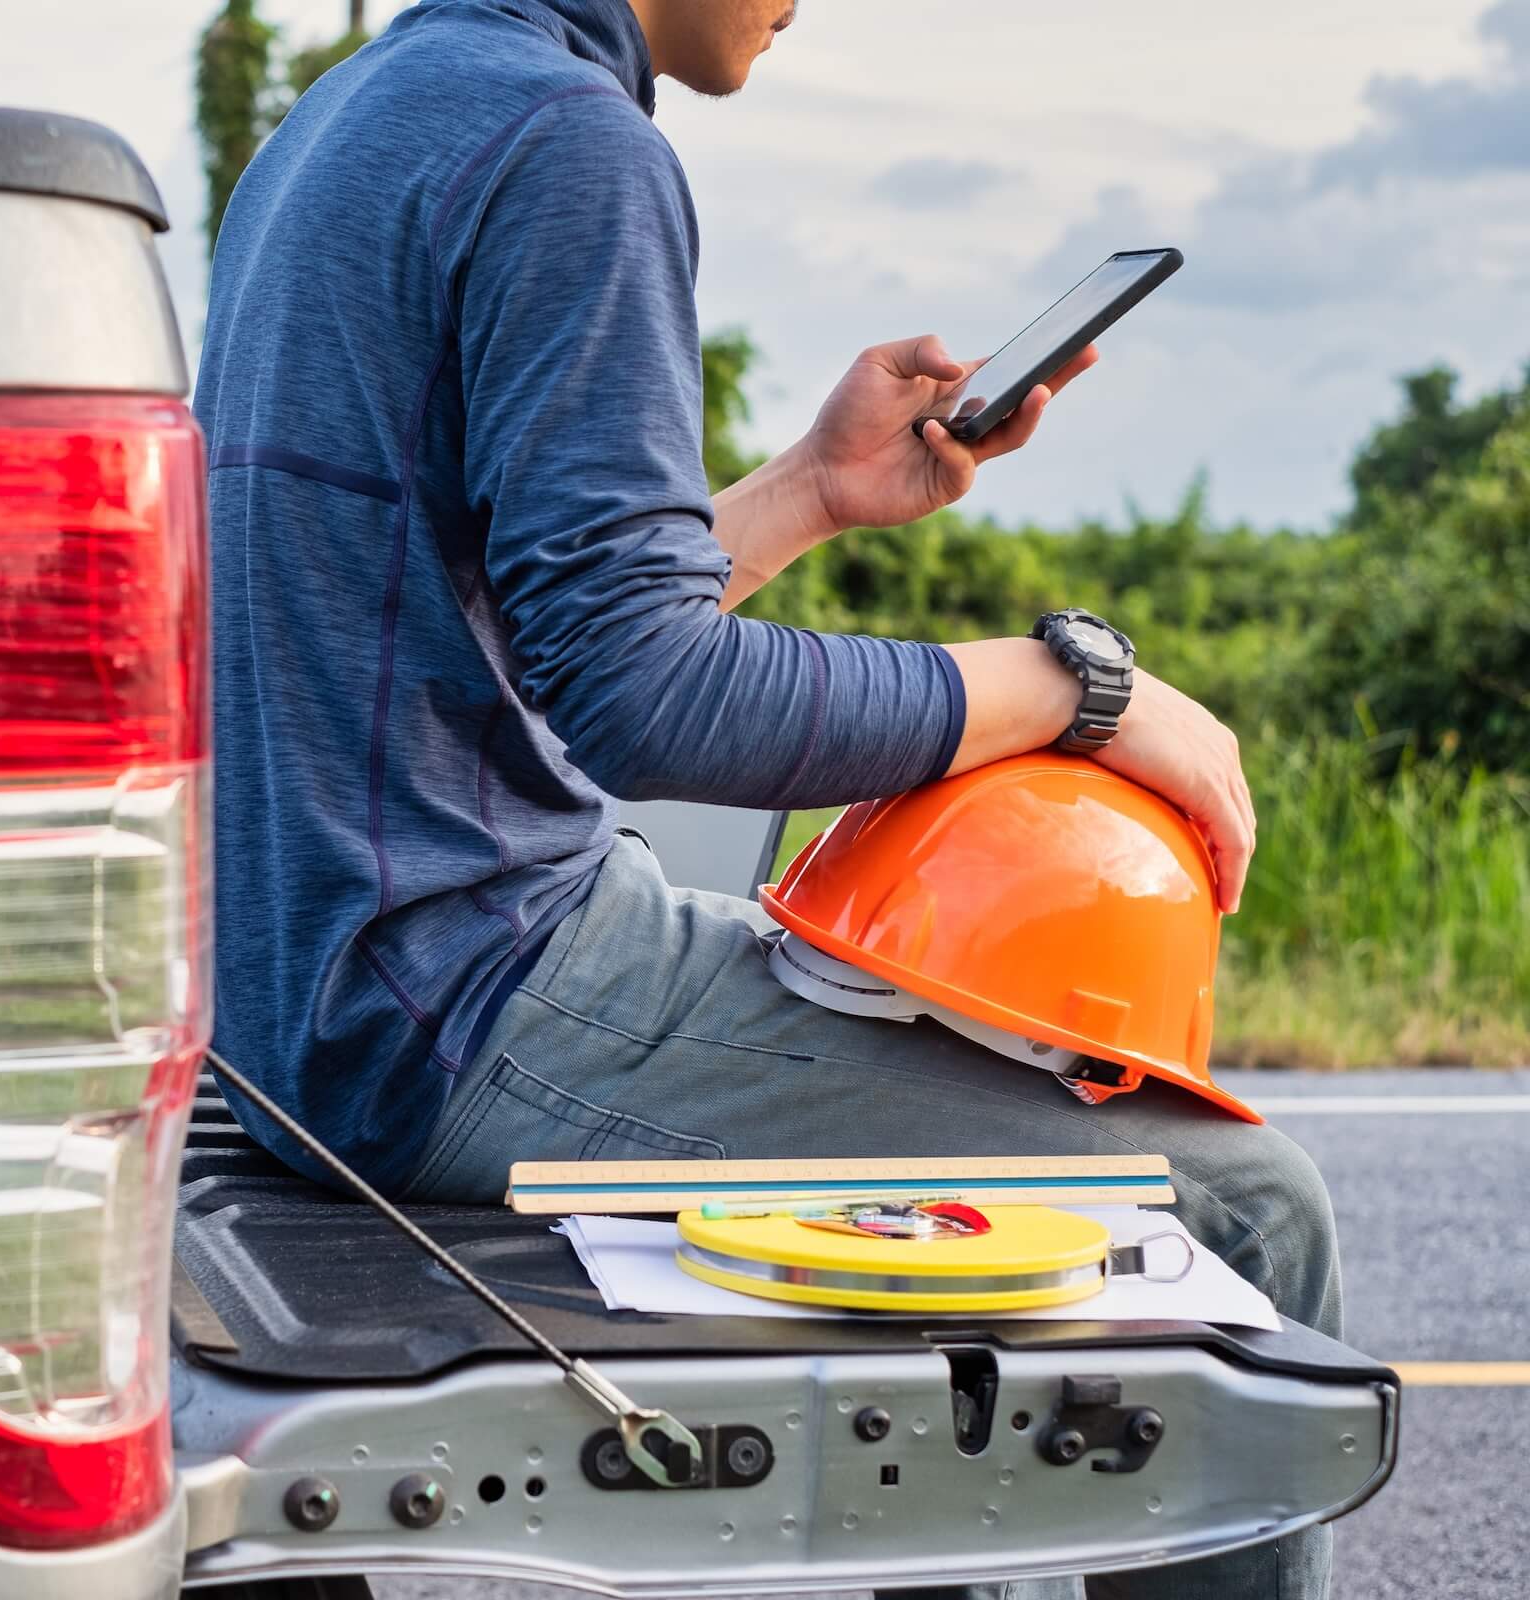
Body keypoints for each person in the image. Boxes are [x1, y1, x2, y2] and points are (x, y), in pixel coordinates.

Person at [193, 3, 1338, 1595]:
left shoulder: (349, 117)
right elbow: (644, 698)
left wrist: (812, 488)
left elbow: (496, 639)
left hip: (305, 1004)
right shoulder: (571, 143)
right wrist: (1079, 688)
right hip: (459, 1001)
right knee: (1241, 1212)